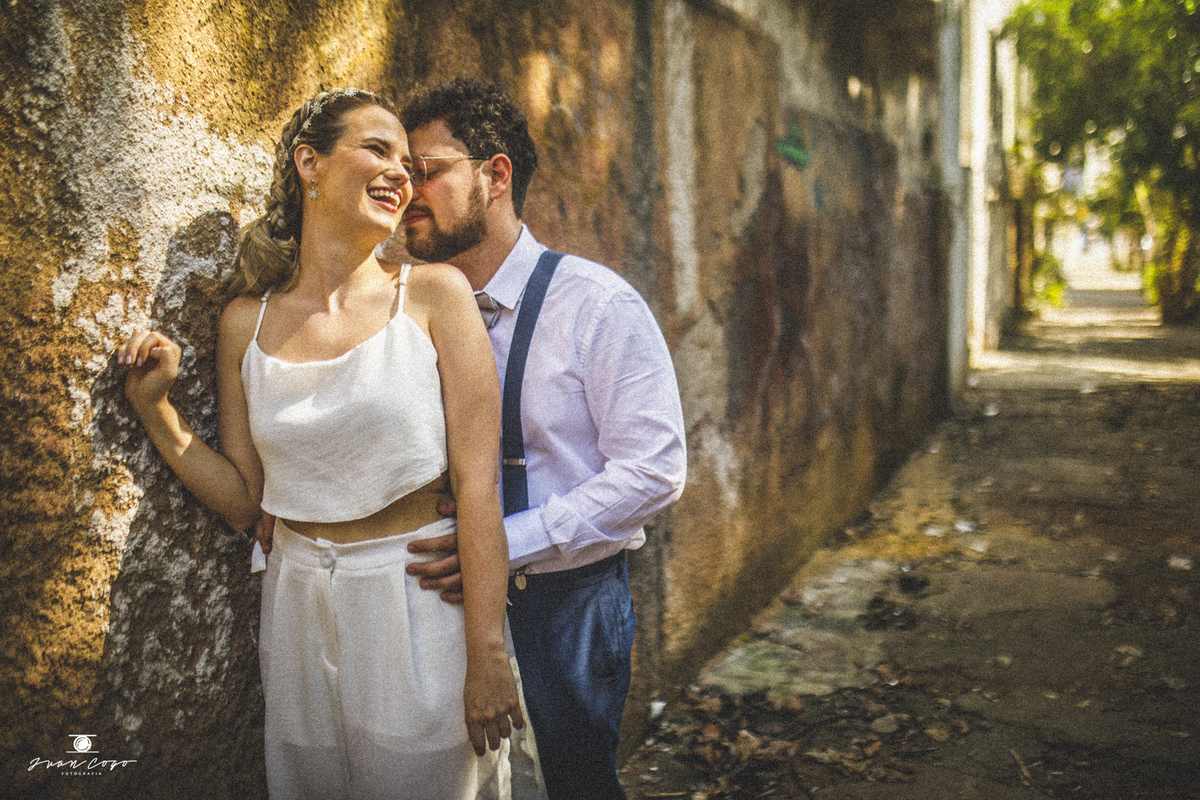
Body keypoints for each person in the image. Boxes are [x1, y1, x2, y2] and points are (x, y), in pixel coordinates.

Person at [119, 88, 531, 800]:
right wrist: (155, 409)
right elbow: (244, 500)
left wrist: (488, 652)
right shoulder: (245, 323)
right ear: (310, 163)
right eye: (377, 150)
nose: (401, 174)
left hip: (415, 602)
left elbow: (478, 486)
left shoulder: (435, 295)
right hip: (296, 604)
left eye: (409, 163)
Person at [397, 79, 687, 800]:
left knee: (572, 785)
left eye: (425, 170)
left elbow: (654, 469)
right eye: (402, 173)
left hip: (566, 604)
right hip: (437, 602)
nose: (407, 191)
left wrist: (504, 542)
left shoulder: (598, 305)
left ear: (495, 176)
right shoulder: (401, 307)